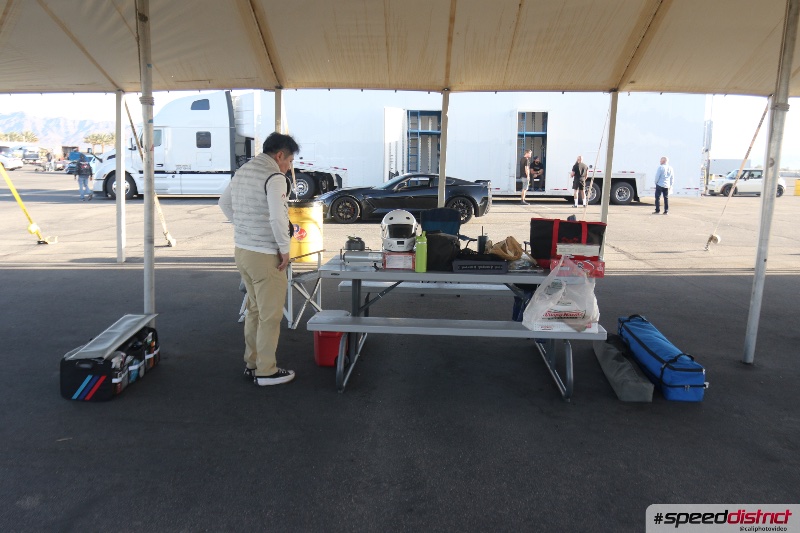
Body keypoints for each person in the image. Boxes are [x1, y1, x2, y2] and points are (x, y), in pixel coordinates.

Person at [218, 132, 299, 387]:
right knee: (271, 315)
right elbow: (277, 218)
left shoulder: (244, 170)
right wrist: (285, 249)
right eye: (289, 161)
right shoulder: (275, 177)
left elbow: (223, 203)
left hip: (242, 251)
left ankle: (251, 363)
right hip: (265, 255)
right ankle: (266, 371)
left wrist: (244, 226)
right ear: (279, 155)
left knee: (254, 310)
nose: (289, 167)